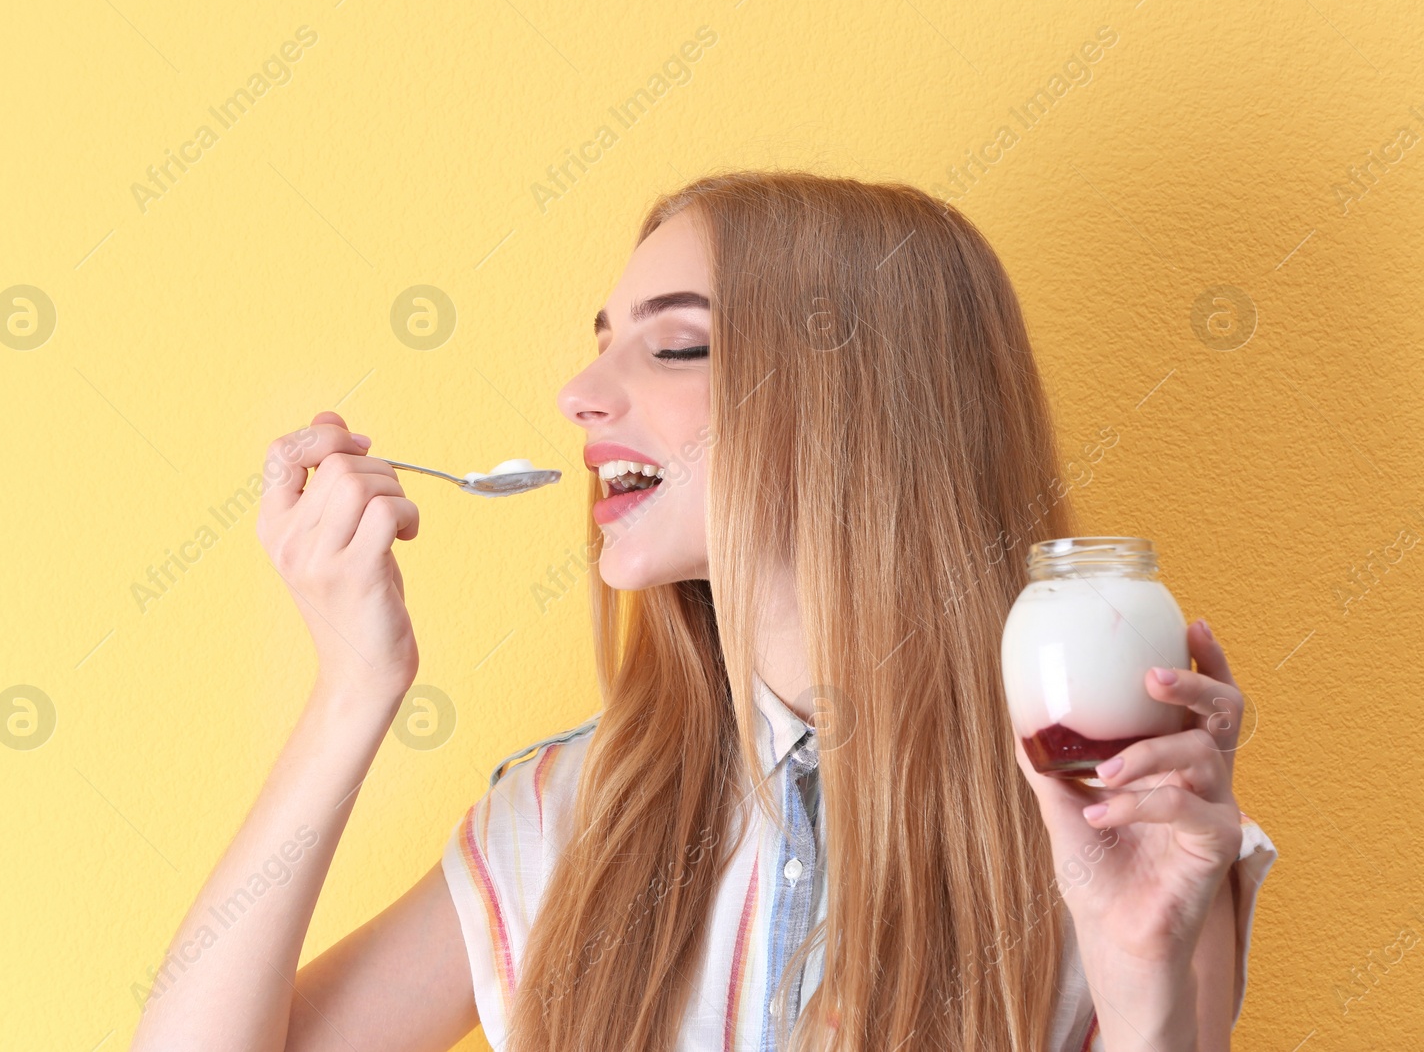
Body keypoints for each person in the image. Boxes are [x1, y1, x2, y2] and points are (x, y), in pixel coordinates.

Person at [129, 171, 1277, 1052]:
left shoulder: (1112, 806)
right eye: (603, 342)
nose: (581, 395)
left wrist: (1144, 996)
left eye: (675, 344)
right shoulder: (569, 818)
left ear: (862, 407)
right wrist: (351, 690)